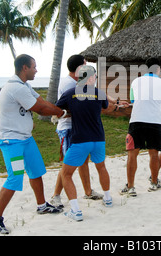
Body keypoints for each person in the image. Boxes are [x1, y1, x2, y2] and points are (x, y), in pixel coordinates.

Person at [0, 54, 65, 235]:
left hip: (26, 139)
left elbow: (41, 102)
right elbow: (40, 109)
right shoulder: (16, 88)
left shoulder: (25, 85)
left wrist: (58, 110)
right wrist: (61, 112)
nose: (36, 70)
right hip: (11, 141)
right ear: (25, 68)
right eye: (34, 67)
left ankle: (41, 205)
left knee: (36, 171)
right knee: (15, 178)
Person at [55, 65, 117, 221]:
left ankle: (76, 211)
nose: (95, 79)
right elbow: (105, 107)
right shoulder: (99, 93)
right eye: (94, 77)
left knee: (66, 173)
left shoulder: (70, 93)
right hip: (98, 138)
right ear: (89, 78)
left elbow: (57, 108)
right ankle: (108, 198)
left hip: (80, 140)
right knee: (101, 167)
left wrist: (68, 113)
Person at [50, 55, 103, 209]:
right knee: (68, 165)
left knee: (83, 160)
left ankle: (88, 191)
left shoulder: (75, 83)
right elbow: (66, 108)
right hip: (68, 128)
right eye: (85, 65)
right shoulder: (69, 84)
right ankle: (56, 196)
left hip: (78, 127)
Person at [121, 57, 161, 196]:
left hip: (137, 120)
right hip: (156, 121)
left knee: (132, 154)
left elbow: (132, 100)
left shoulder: (136, 81)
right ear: (158, 70)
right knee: (154, 154)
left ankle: (131, 187)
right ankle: (154, 183)